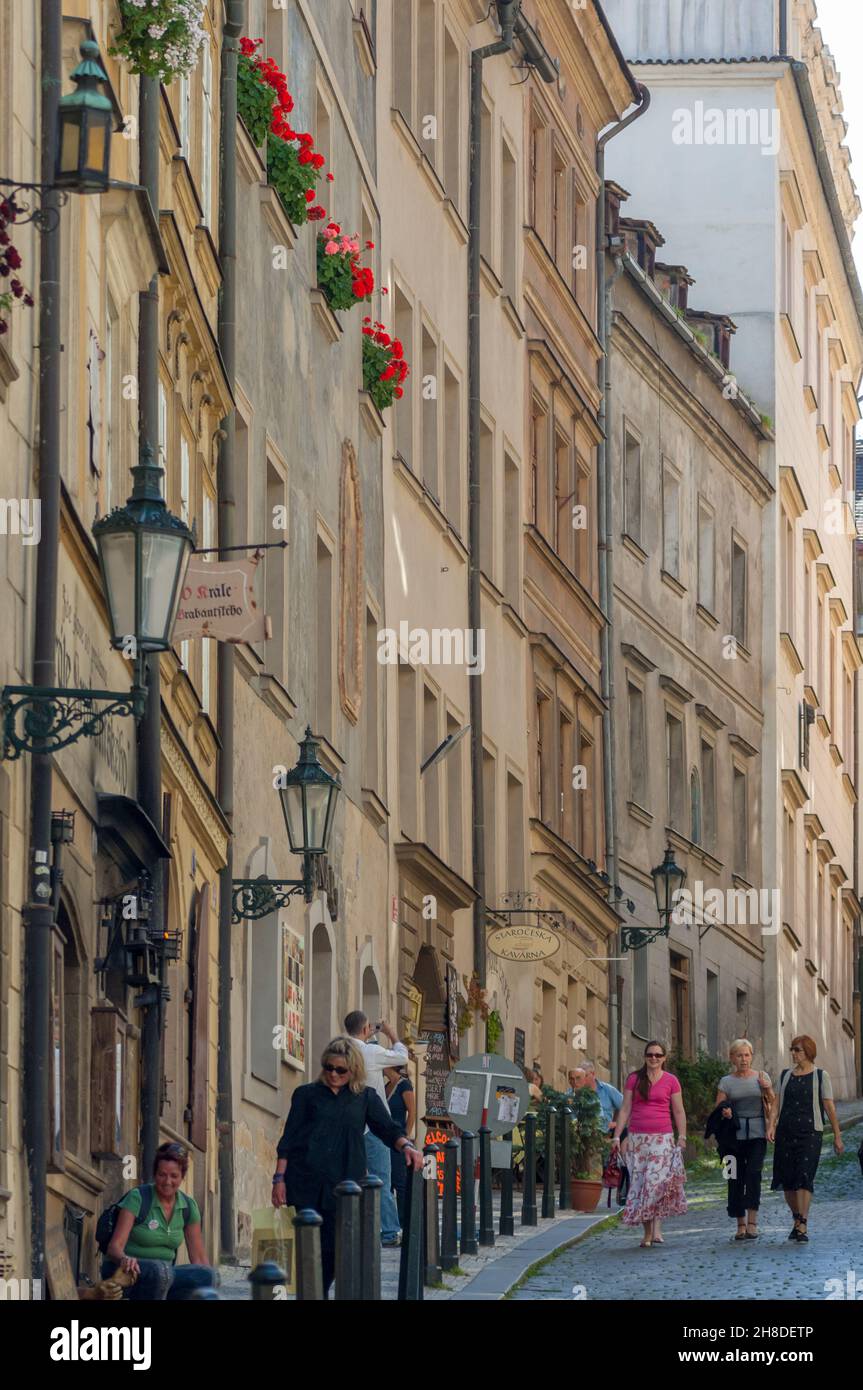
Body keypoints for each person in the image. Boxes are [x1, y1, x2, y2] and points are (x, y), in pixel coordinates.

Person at [272, 1037, 423, 1294]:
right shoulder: (306, 1094)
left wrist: (407, 1146)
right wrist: (279, 1179)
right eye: (329, 1067)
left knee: (336, 1249)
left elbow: (387, 1128)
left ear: (353, 1070)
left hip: (345, 1185)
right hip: (306, 1180)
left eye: (340, 1070)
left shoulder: (364, 1098)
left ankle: (314, 1292)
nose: (333, 1074)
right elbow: (289, 1139)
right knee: (309, 1245)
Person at [102, 1142, 215, 1300]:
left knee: (206, 1275)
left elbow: (199, 1259)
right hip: (127, 1274)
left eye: (174, 1176)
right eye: (162, 1175)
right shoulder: (138, 1198)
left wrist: (210, 1284)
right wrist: (125, 1259)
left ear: (182, 1177)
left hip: (165, 1276)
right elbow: (114, 1247)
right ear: (155, 1175)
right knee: (158, 1269)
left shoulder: (188, 1207)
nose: (167, 1181)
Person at [611, 1041, 687, 1248]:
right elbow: (625, 1109)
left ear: (664, 1058)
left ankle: (657, 1228)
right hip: (638, 1139)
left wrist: (682, 1136)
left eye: (658, 1055)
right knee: (641, 1185)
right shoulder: (634, 1079)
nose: (654, 1058)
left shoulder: (671, 1081)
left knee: (657, 1185)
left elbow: (678, 1111)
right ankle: (647, 1233)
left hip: (662, 1139)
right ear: (645, 1057)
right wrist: (618, 1136)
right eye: (650, 1055)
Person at [769, 1034, 843, 1242]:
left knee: (804, 1176)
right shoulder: (784, 1075)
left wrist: (837, 1135)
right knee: (788, 1181)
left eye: (797, 1050)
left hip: (810, 1133)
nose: (793, 1053)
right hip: (785, 1132)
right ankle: (796, 1218)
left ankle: (803, 1223)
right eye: (792, 1049)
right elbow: (776, 1103)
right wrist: (771, 1124)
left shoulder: (821, 1076)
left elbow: (829, 1107)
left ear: (808, 1052)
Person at [344, 1010, 408, 1247]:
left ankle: (352, 1227)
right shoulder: (371, 1051)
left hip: (347, 1123)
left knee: (349, 1175)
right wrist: (390, 1032)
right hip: (373, 1125)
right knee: (381, 1178)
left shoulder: (339, 1049)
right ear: (365, 1029)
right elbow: (402, 1057)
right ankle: (390, 1231)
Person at [714, 1039, 773, 1240]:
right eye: (739, 1055)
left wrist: (767, 1088)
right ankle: (739, 1223)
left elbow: (772, 1102)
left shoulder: (761, 1077)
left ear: (751, 1056)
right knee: (733, 1177)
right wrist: (726, 1112)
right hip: (731, 1138)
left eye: (747, 1055)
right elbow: (718, 1109)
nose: (743, 1059)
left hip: (757, 1134)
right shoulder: (726, 1082)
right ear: (732, 1058)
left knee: (754, 1175)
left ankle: (752, 1222)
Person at [384, 1063, 416, 1224]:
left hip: (398, 1139)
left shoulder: (404, 1084)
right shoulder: (386, 1086)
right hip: (385, 1139)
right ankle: (390, 1221)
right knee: (386, 1180)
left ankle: (405, 1220)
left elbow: (412, 1112)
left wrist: (406, 1136)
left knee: (399, 1180)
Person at [577, 1059, 624, 1134]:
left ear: (593, 1074)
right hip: (584, 1133)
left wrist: (616, 1122)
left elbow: (625, 1106)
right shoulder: (576, 1092)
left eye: (585, 1076)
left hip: (606, 1133)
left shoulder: (607, 1089)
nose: (582, 1079)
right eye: (580, 1077)